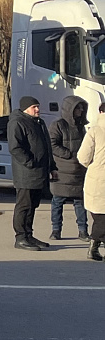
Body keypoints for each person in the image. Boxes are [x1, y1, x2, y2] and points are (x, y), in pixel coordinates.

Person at [7, 95, 55, 252]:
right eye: (34, 107)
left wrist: (51, 166)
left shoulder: (38, 123)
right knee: (24, 205)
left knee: (33, 205)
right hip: (26, 173)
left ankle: (29, 235)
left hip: (39, 172)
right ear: (26, 108)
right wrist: (30, 162)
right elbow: (15, 147)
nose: (38, 109)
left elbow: (46, 146)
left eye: (38, 106)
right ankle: (20, 237)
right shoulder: (18, 122)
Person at [48, 96, 89, 241]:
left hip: (78, 171)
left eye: (82, 108)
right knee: (57, 201)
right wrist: (70, 155)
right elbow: (52, 144)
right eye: (78, 108)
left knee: (80, 203)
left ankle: (83, 231)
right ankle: (56, 230)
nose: (81, 110)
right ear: (70, 109)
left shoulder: (81, 127)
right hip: (62, 170)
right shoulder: (58, 125)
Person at [73, 101, 105, 262]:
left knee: (100, 217)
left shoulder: (95, 131)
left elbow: (83, 157)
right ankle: (94, 247)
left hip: (98, 180)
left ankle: (93, 247)